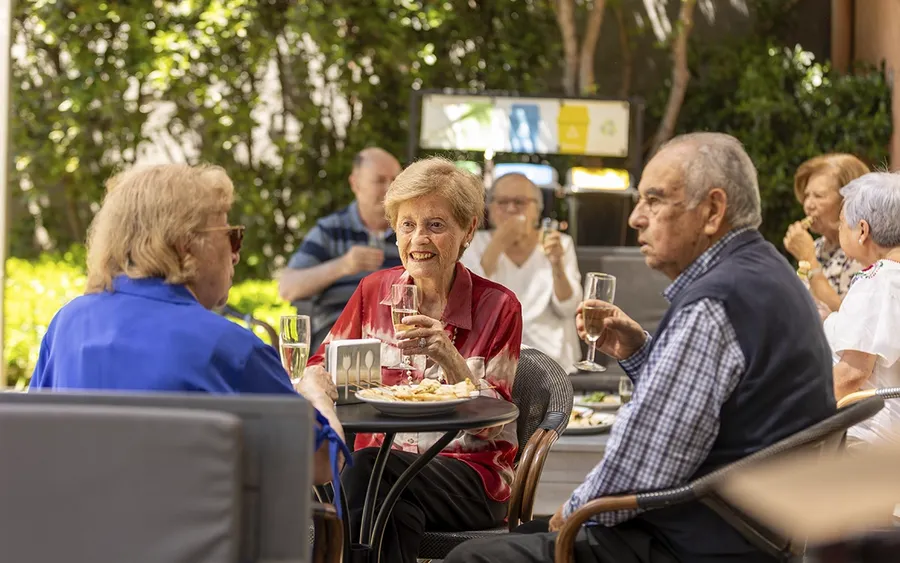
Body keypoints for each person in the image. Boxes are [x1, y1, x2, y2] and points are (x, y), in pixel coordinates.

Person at [445, 133, 835, 563]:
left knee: (470, 557)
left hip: (693, 539)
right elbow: (714, 406)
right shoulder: (766, 272)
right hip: (744, 527)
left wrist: (569, 512)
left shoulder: (715, 303)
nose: (635, 218)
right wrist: (638, 351)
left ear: (713, 210)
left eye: (653, 200)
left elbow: (640, 468)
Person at [29, 163, 348, 490]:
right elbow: (323, 464)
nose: (236, 255)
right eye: (231, 237)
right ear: (186, 245)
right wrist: (317, 396)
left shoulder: (67, 325)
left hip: (76, 537)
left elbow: (32, 442)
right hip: (196, 541)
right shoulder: (232, 349)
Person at [304, 156, 523, 563]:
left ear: (468, 230)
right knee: (388, 512)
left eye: (435, 225)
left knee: (365, 479)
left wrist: (450, 357)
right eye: (408, 225)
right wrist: (322, 394)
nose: (418, 238)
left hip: (470, 475)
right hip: (381, 476)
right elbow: (319, 366)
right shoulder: (374, 291)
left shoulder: (498, 306)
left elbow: (495, 424)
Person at [278, 147, 403, 350]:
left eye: (395, 180)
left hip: (397, 339)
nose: (389, 188)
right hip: (338, 338)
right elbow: (288, 287)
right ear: (355, 184)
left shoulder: (410, 231)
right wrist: (343, 265)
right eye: (379, 180)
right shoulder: (330, 231)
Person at [460, 173, 582, 371]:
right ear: (489, 208)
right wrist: (498, 243)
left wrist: (557, 263)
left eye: (520, 202)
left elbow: (569, 308)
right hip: (492, 357)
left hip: (552, 358)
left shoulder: (558, 243)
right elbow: (469, 303)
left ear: (538, 209)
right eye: (502, 202)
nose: (510, 209)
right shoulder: (473, 244)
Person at [824, 171, 900, 443]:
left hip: (864, 437)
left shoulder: (878, 279)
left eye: (842, 223)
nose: (839, 230)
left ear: (863, 231)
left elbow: (850, 376)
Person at [784, 154, 868, 312]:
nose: (808, 205)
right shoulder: (817, 246)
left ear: (846, 201)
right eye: (807, 195)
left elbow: (846, 316)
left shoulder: (862, 251)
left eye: (818, 196)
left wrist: (808, 259)